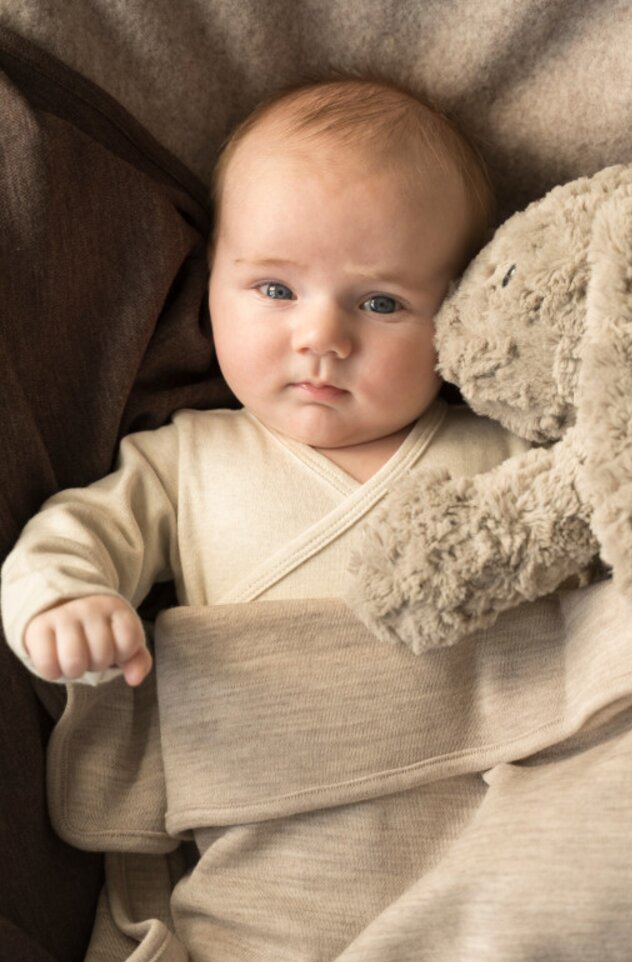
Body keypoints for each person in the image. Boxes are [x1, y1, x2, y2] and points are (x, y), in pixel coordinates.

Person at [1, 75, 527, 687]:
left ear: (460, 310)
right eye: (276, 289)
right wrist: (66, 603)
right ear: (211, 283)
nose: (321, 337)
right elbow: (78, 536)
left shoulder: (510, 457)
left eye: (381, 303)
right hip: (255, 741)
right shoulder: (186, 464)